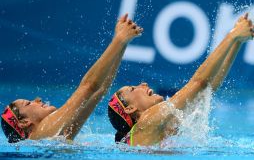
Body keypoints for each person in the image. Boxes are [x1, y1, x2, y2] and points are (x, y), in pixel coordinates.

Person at [108, 13, 254, 146]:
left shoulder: (160, 124)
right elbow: (198, 83)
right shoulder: (146, 122)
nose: (143, 84)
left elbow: (207, 88)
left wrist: (237, 42)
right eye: (132, 89)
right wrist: (232, 36)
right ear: (130, 109)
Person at [1, 14, 143, 143]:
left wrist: (122, 44)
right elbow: (88, 87)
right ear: (24, 123)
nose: (37, 99)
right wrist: (118, 40)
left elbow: (100, 90)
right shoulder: (42, 133)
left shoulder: (56, 133)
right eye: (28, 103)